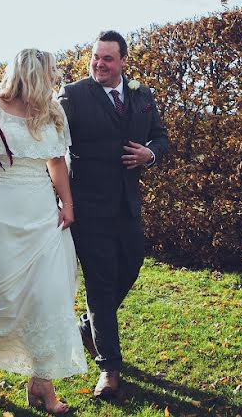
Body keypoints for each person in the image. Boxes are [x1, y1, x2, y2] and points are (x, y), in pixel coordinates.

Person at [0, 49, 87, 414]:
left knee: (49, 297)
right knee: (5, 298)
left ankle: (41, 385)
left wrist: (68, 204)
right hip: (0, 211)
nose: (55, 78)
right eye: (50, 73)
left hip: (42, 215)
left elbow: (56, 163)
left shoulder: (51, 111)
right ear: (32, 75)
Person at [58, 30, 169, 398]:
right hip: (87, 208)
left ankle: (89, 326)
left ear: (123, 62)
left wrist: (148, 154)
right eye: (95, 57)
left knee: (131, 266)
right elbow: (52, 144)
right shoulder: (72, 95)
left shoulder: (141, 95)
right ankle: (109, 370)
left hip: (127, 205)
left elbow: (160, 137)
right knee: (101, 285)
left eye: (108, 58)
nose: (99, 64)